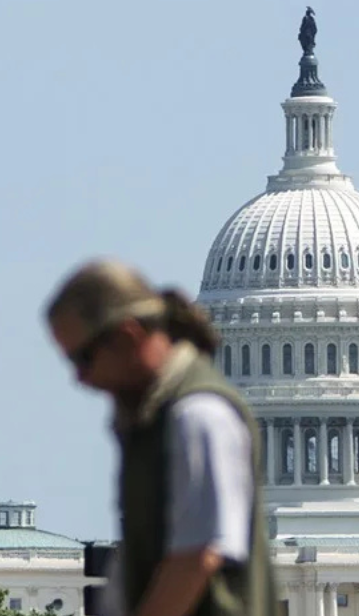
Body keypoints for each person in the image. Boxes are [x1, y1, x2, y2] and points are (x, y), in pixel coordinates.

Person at [44, 259, 280, 616]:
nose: (80, 378)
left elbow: (198, 556)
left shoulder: (199, 415)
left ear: (127, 337)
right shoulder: (152, 418)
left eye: (83, 358)